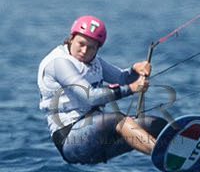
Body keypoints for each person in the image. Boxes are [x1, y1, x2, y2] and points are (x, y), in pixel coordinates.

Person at [39, 15, 167, 164]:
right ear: (72, 38)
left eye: (92, 47)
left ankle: (188, 152)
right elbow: (90, 97)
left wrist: (134, 69)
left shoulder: (94, 62)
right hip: (71, 140)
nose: (85, 50)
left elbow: (122, 78)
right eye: (81, 44)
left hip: (98, 141)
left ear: (97, 48)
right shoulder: (59, 63)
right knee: (117, 119)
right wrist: (131, 89)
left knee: (154, 125)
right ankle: (164, 157)